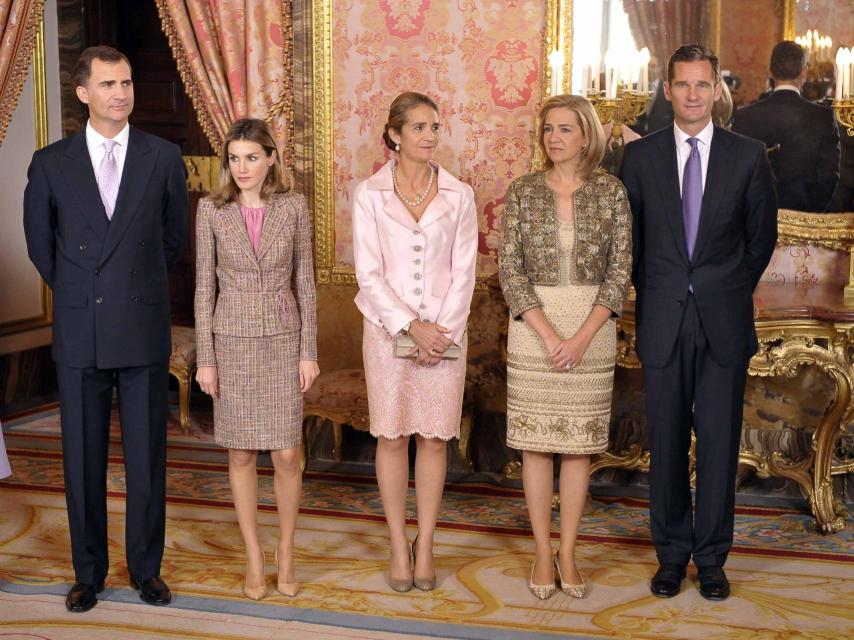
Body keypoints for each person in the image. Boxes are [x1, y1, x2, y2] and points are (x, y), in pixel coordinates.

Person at [23, 46, 188, 612]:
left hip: (141, 325)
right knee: (83, 461)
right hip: (81, 329)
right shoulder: (50, 162)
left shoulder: (164, 157)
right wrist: (80, 296)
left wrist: (133, 287)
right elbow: (42, 248)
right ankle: (86, 573)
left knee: (146, 461)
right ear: (83, 93)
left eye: (128, 81)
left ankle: (147, 570)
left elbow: (171, 241)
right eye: (110, 83)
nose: (122, 93)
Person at [620, 44, 777, 601]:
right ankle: (670, 556)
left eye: (701, 85)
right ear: (668, 89)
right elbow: (630, 245)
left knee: (718, 445)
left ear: (717, 91)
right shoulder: (639, 159)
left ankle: (711, 559)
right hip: (663, 317)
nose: (691, 94)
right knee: (663, 445)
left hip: (723, 322)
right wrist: (661, 289)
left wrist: (722, 286)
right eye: (682, 85)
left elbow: (761, 240)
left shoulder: (747, 155)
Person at [499, 94, 632, 600]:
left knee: (577, 448)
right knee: (536, 444)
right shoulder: (522, 191)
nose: (555, 138)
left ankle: (569, 551)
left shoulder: (612, 193)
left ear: (587, 136)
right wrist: (550, 334)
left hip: (592, 332)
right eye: (548, 128)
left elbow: (620, 273)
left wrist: (580, 336)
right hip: (534, 330)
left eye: (566, 129)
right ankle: (539, 549)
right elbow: (510, 270)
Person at [352, 92, 478, 593]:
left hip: (447, 332)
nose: (430, 136)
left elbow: (466, 271)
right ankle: (395, 540)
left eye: (435, 127)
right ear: (395, 135)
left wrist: (440, 330)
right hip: (386, 333)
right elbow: (368, 272)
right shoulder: (369, 194)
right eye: (420, 127)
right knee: (392, 435)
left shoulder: (459, 194)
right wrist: (409, 326)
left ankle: (425, 541)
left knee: (433, 437)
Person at [194, 118, 318, 600]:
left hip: (284, 338)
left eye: (251, 157)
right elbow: (205, 287)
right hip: (232, 341)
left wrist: (309, 350)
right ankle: (253, 555)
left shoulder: (294, 207)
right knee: (241, 452)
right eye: (233, 158)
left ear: (270, 158)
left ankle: (286, 551)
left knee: (287, 452)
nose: (241, 167)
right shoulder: (211, 209)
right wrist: (207, 358)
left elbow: (305, 282)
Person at [732, 40, 839, 212]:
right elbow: (828, 179)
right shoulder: (823, 117)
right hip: (804, 223)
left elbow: (737, 176)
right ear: (803, 73)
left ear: (770, 72)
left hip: (756, 222)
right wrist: (808, 217)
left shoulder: (744, 116)